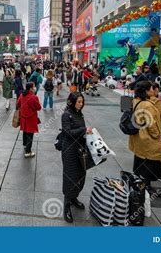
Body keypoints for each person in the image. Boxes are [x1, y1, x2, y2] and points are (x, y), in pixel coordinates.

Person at [61, 92, 93, 223]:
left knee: (81, 175)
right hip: (69, 151)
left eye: (82, 102)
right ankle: (67, 204)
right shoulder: (66, 114)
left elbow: (80, 130)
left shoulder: (80, 113)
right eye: (78, 102)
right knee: (70, 177)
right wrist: (84, 130)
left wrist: (87, 133)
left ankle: (74, 197)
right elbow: (67, 132)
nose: (81, 104)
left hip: (80, 150)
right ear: (72, 102)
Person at [128, 81, 161, 195]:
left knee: (140, 159)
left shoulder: (136, 101)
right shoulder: (147, 105)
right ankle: (146, 186)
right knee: (149, 162)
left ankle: (139, 181)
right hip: (147, 138)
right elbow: (151, 124)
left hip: (138, 136)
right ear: (146, 91)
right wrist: (157, 134)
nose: (153, 91)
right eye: (151, 89)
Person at [16, 82, 41, 158]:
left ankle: (25, 144)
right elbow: (39, 107)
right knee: (30, 134)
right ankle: (28, 151)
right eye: (34, 87)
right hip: (31, 118)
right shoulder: (34, 97)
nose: (34, 88)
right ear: (31, 88)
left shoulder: (22, 95)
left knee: (25, 131)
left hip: (23, 117)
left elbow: (18, 104)